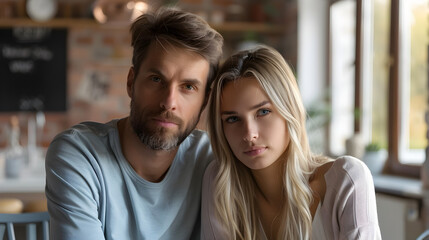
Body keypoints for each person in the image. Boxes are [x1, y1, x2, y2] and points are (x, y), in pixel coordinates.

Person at [45, 7, 223, 240]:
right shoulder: (80, 155)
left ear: (205, 100)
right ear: (131, 82)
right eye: (157, 79)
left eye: (188, 87)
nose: (169, 102)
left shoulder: (214, 159)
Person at [201, 45, 381, 240]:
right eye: (233, 119)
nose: (249, 134)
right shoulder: (220, 184)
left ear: (290, 110)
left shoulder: (347, 180)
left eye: (263, 112)